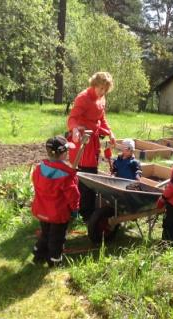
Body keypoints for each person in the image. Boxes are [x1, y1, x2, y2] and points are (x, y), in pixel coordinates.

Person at [66, 71, 116, 221]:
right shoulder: (83, 98)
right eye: (100, 88)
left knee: (92, 172)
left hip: (93, 140)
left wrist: (110, 132)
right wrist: (74, 129)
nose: (102, 92)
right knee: (84, 174)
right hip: (82, 139)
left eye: (105, 89)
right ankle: (84, 212)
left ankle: (88, 208)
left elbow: (101, 117)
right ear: (94, 84)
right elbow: (72, 118)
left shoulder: (102, 98)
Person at [31, 135, 80, 267]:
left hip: (42, 210)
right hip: (58, 214)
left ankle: (38, 255)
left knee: (45, 233)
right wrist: (75, 209)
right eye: (67, 151)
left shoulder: (39, 169)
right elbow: (73, 195)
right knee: (57, 238)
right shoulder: (66, 175)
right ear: (63, 154)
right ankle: (54, 261)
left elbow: (36, 185)